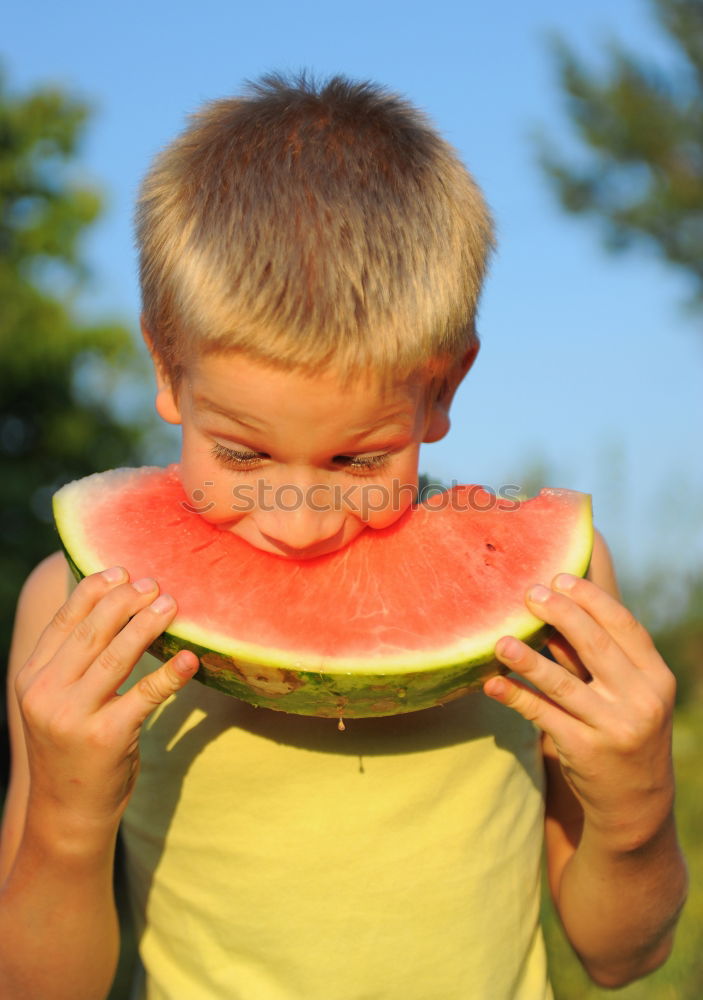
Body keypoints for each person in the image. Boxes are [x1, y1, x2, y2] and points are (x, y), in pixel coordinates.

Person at [0, 73, 687, 1000]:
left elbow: (621, 955)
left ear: (440, 389)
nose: (301, 522)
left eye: (358, 463)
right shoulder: (75, 614)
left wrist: (636, 805)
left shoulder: (556, 601)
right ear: (167, 365)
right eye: (242, 454)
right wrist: (67, 823)